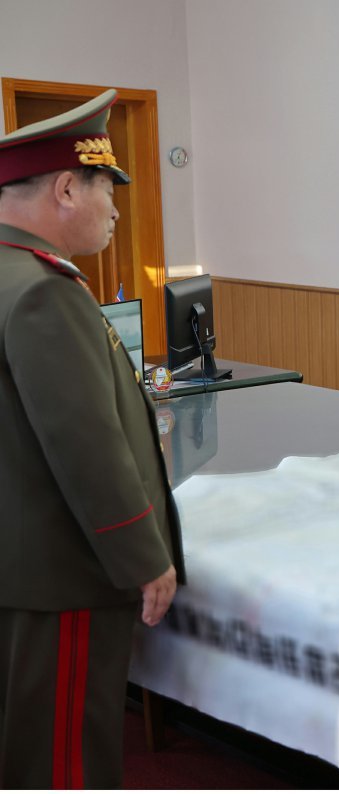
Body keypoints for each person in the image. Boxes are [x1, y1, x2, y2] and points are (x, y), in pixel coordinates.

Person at [0, 90, 185, 788]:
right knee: (65, 758)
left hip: (18, 565)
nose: (114, 210)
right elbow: (84, 444)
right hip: (64, 574)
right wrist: (144, 555)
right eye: (108, 189)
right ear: (67, 187)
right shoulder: (45, 291)